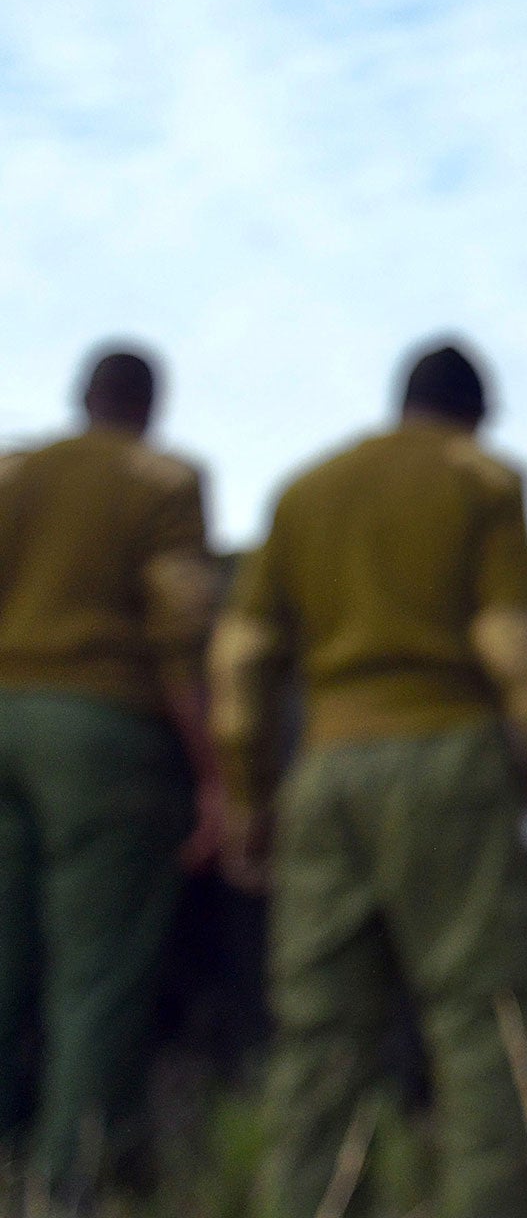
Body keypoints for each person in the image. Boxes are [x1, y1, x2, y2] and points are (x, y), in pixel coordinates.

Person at [210, 341, 527, 1218]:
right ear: (476, 413)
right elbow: (517, 649)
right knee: (481, 1024)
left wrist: (247, 795)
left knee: (320, 1032)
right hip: (448, 759)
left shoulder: (304, 492)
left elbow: (242, 660)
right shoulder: (482, 479)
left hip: (326, 774)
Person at [0, 347, 223, 1199]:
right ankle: (71, 1182)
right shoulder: (160, 481)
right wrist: (212, 776)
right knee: (97, 974)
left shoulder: (14, 473)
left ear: (81, 398)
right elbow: (179, 631)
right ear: (148, 408)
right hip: (99, 735)